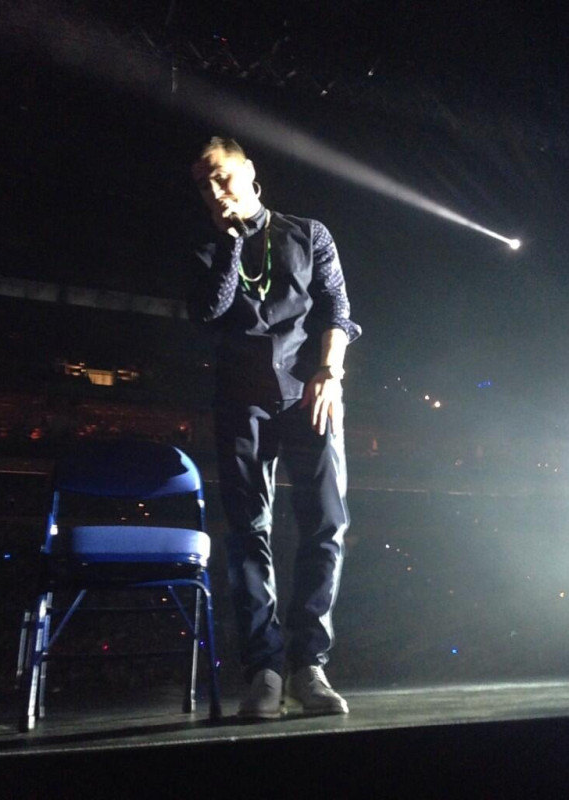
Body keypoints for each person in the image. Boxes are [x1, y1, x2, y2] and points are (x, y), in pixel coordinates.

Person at [187, 136, 361, 719]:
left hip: (308, 392)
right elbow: (209, 312)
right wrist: (231, 244)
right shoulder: (208, 248)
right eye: (205, 184)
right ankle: (264, 668)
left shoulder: (309, 234)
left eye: (222, 177)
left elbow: (337, 307)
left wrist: (329, 372)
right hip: (242, 400)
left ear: (250, 171)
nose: (215, 191)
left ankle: (309, 666)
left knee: (325, 525)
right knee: (246, 532)